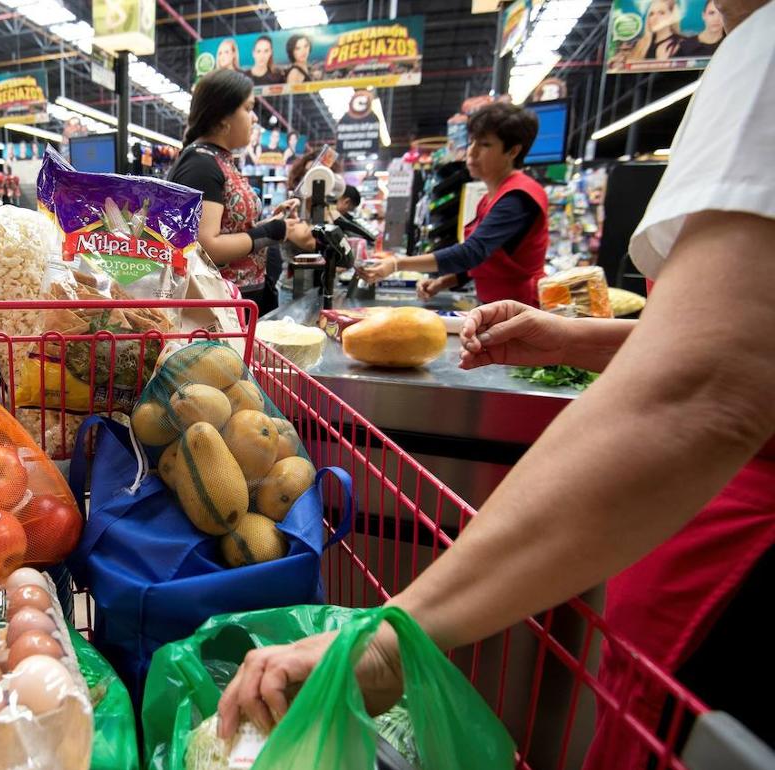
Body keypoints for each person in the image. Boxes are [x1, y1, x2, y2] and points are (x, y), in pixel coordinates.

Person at [217, 3, 775, 765]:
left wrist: (390, 636)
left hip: (727, 568)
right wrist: (570, 338)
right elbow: (730, 342)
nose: (472, 155)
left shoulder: (767, 52)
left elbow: (706, 384)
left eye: (482, 142)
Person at [361, 103, 548, 307]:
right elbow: (490, 258)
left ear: (513, 151)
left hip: (521, 311)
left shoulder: (518, 197)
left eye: (485, 145)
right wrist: (446, 281)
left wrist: (397, 263)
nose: (472, 152)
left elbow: (473, 252)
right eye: (472, 142)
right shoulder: (491, 197)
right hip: (496, 306)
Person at [168, 70, 314, 316]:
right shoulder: (201, 165)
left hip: (238, 302)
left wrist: (271, 224)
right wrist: (271, 232)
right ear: (223, 117)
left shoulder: (219, 160)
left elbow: (230, 231)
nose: (255, 118)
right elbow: (206, 246)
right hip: (220, 311)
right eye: (248, 108)